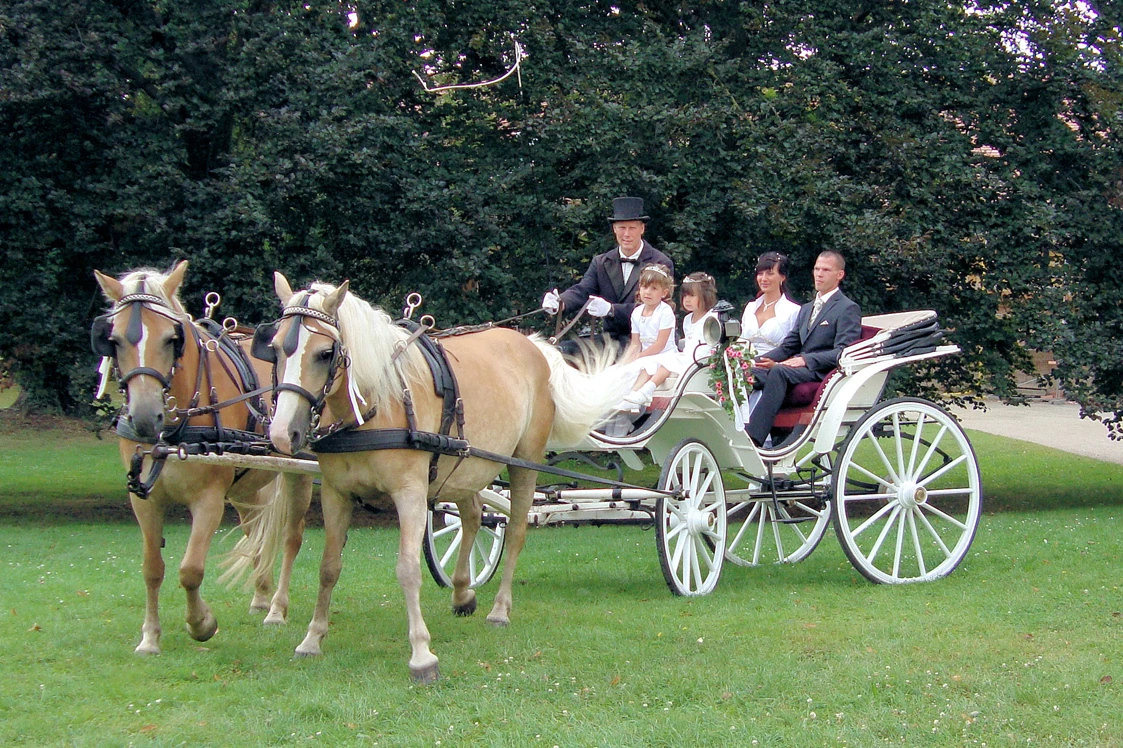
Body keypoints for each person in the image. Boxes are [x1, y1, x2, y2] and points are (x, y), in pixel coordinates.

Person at [745, 251, 862, 448]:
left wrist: (805, 360)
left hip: (823, 372)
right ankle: (732, 425)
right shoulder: (807, 309)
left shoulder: (847, 308)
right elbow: (788, 346)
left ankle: (754, 437)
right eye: (817, 269)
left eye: (826, 270)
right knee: (747, 373)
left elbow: (843, 352)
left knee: (779, 370)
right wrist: (752, 362)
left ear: (839, 275)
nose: (819, 274)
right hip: (797, 369)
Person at [542, 196, 674, 348]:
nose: (626, 234)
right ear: (614, 229)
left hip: (648, 341)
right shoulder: (601, 262)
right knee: (563, 351)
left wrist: (612, 310)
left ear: (642, 229)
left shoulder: (661, 262)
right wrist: (560, 302)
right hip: (610, 339)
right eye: (622, 228)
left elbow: (655, 306)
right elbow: (583, 290)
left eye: (632, 228)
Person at [735, 253, 801, 427]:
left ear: (782, 277)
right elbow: (741, 340)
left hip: (771, 366)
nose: (763, 278)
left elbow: (792, 347)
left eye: (770, 273)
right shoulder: (750, 307)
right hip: (744, 361)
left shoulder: (793, 311)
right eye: (760, 273)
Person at [614, 264, 678, 412]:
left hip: (664, 354)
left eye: (654, 288)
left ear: (664, 293)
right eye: (644, 287)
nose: (647, 292)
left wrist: (640, 356)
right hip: (646, 354)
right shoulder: (636, 312)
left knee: (648, 365)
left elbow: (660, 344)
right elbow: (636, 343)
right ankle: (626, 400)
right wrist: (629, 358)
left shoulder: (665, 312)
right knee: (624, 370)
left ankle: (638, 394)